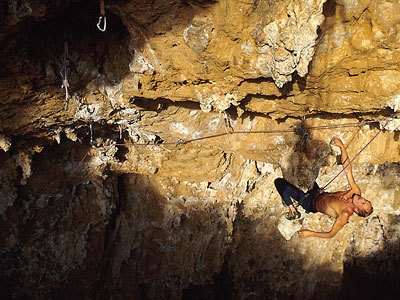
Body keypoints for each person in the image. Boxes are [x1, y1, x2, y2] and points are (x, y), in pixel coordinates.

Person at [274, 137, 373, 238]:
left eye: (363, 203)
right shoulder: (355, 192)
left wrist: (310, 233)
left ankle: (292, 210)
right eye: (366, 200)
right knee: (304, 167)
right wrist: (342, 146)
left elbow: (331, 234)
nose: (362, 199)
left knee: (279, 183)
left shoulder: (344, 215)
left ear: (356, 210)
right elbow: (348, 170)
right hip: (317, 192)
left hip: (309, 202)